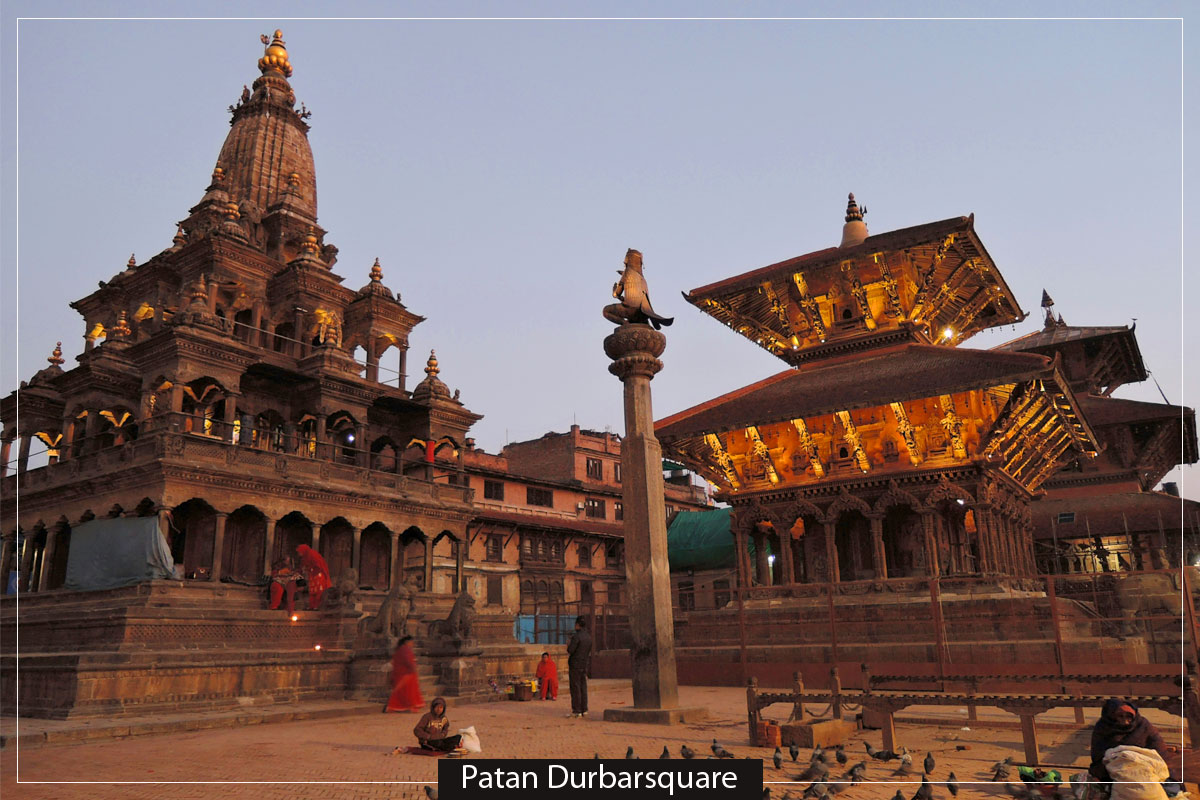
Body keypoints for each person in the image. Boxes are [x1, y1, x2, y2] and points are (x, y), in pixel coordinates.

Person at [1090, 698, 1179, 783]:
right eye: (1120, 716)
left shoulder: (1143, 726)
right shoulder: (1102, 728)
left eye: (1129, 716)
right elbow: (1097, 756)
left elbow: (1161, 753)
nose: (1125, 721)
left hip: (1144, 768)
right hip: (1113, 769)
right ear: (1111, 716)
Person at [384, 636, 423, 713]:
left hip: (401, 673)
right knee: (407, 691)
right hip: (406, 673)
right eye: (411, 642)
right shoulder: (405, 650)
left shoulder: (400, 650)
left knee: (402, 691)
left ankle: (397, 707)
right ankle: (403, 706)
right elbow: (408, 661)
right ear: (407, 642)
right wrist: (413, 668)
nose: (412, 644)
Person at [566, 615, 592, 718]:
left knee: (575, 687)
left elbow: (571, 650)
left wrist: (568, 644)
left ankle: (577, 710)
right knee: (583, 687)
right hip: (584, 664)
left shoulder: (576, 637)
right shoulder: (588, 637)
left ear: (577, 625)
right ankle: (584, 709)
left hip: (575, 664)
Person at [295, 544, 331, 610]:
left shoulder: (313, 554)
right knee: (312, 591)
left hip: (319, 575)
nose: (298, 553)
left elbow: (318, 565)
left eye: (299, 552)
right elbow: (303, 566)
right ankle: (312, 606)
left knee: (318, 591)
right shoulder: (305, 557)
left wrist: (309, 569)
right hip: (312, 576)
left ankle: (317, 606)